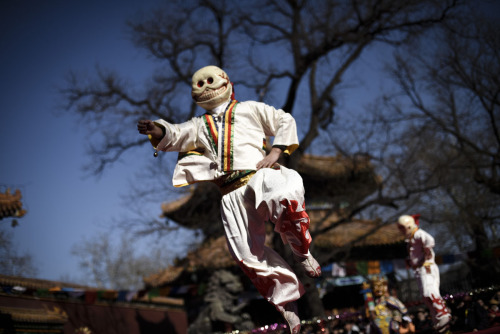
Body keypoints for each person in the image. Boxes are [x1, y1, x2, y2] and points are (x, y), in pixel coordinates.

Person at [137, 65, 321, 334]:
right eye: (199, 84)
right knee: (248, 257)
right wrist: (157, 128)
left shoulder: (250, 109)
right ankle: (288, 307)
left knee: (286, 197)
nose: (206, 87)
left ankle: (302, 251)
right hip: (230, 195)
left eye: (211, 81)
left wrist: (276, 150)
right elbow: (175, 133)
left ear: (227, 84)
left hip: (258, 176)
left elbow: (284, 120)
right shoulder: (199, 125)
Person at [396, 215, 452, 333]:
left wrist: (426, 253)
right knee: (425, 298)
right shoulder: (410, 239)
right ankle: (437, 320)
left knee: (429, 292)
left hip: (427, 267)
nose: (401, 231)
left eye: (402, 227)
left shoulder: (418, 233)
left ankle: (443, 314)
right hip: (418, 270)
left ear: (409, 226)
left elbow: (430, 240)